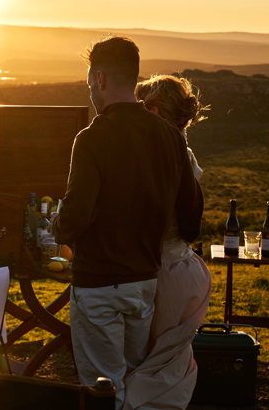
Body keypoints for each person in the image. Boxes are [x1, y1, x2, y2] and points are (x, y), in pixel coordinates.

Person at [51, 37, 203, 410]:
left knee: (102, 391)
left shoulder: (91, 138)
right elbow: (192, 218)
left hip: (98, 284)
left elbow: (76, 217)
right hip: (144, 287)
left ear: (100, 79)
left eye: (90, 85)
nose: (91, 95)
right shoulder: (170, 137)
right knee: (134, 380)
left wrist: (56, 225)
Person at [122, 75, 211, 410]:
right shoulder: (184, 153)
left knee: (150, 365)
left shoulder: (163, 158)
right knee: (165, 364)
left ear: (155, 112)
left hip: (163, 277)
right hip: (181, 271)